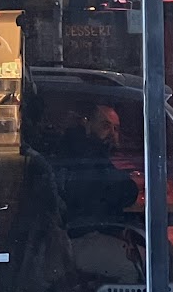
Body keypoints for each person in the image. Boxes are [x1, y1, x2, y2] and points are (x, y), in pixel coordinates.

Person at [50, 104, 142, 282]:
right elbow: (122, 192)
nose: (112, 133)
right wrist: (132, 183)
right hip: (77, 239)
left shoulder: (81, 149)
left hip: (79, 235)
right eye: (106, 126)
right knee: (144, 264)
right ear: (87, 123)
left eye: (116, 129)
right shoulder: (86, 154)